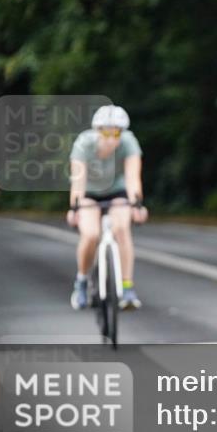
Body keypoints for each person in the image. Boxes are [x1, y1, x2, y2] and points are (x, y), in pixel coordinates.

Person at [66, 105, 148, 310]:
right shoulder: (84, 143)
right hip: (89, 193)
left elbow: (132, 178)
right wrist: (75, 208)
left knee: (121, 229)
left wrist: (137, 204)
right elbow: (78, 180)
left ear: (123, 132)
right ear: (97, 130)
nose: (111, 137)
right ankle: (82, 282)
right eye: (105, 131)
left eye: (116, 132)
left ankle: (127, 288)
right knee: (91, 234)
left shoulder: (129, 142)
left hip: (117, 191)